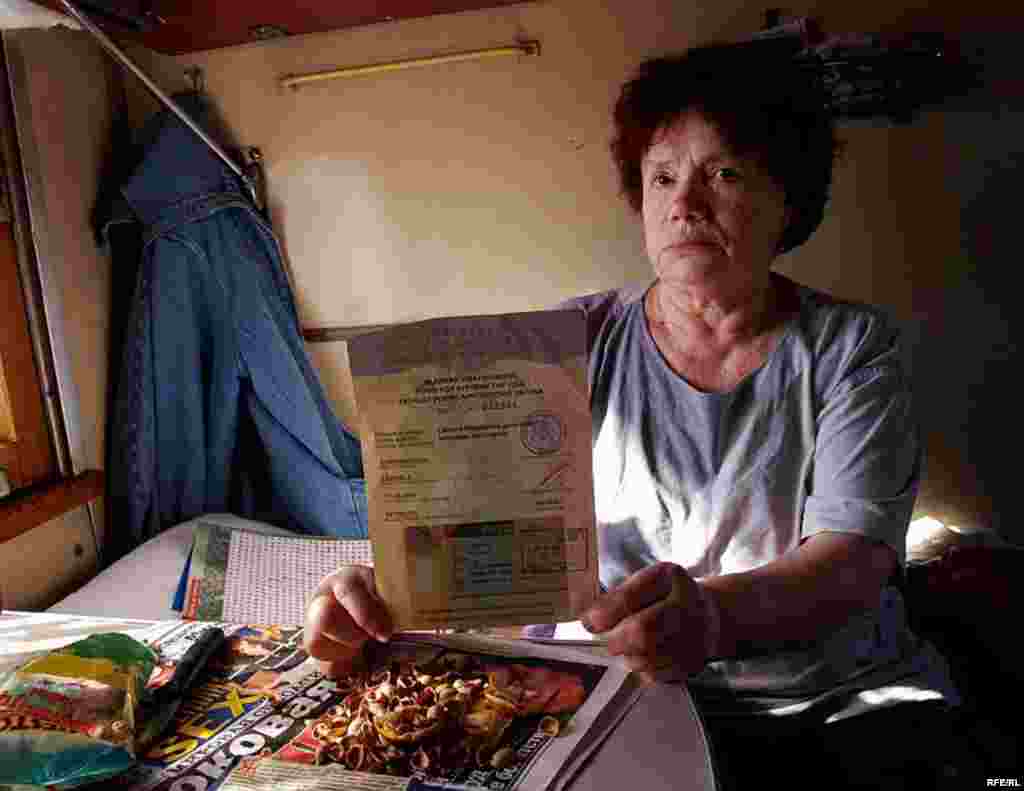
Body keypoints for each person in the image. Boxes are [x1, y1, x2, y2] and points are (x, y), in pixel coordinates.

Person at [304, 42, 962, 789]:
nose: (684, 203)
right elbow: (476, 540)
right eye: (662, 176)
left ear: (789, 200)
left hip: (818, 702)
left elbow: (853, 559)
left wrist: (710, 618)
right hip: (616, 700)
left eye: (723, 173)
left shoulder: (852, 349)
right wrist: (385, 598)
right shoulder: (561, 346)